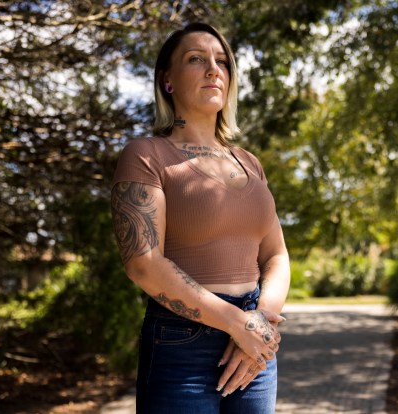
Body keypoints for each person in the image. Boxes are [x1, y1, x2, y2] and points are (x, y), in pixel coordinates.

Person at [110, 22, 290, 414]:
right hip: (181, 346)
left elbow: (276, 254)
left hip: (254, 344)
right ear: (168, 81)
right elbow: (143, 264)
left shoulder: (249, 163)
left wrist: (261, 322)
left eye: (222, 61)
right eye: (196, 59)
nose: (214, 69)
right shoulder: (146, 155)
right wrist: (235, 323)